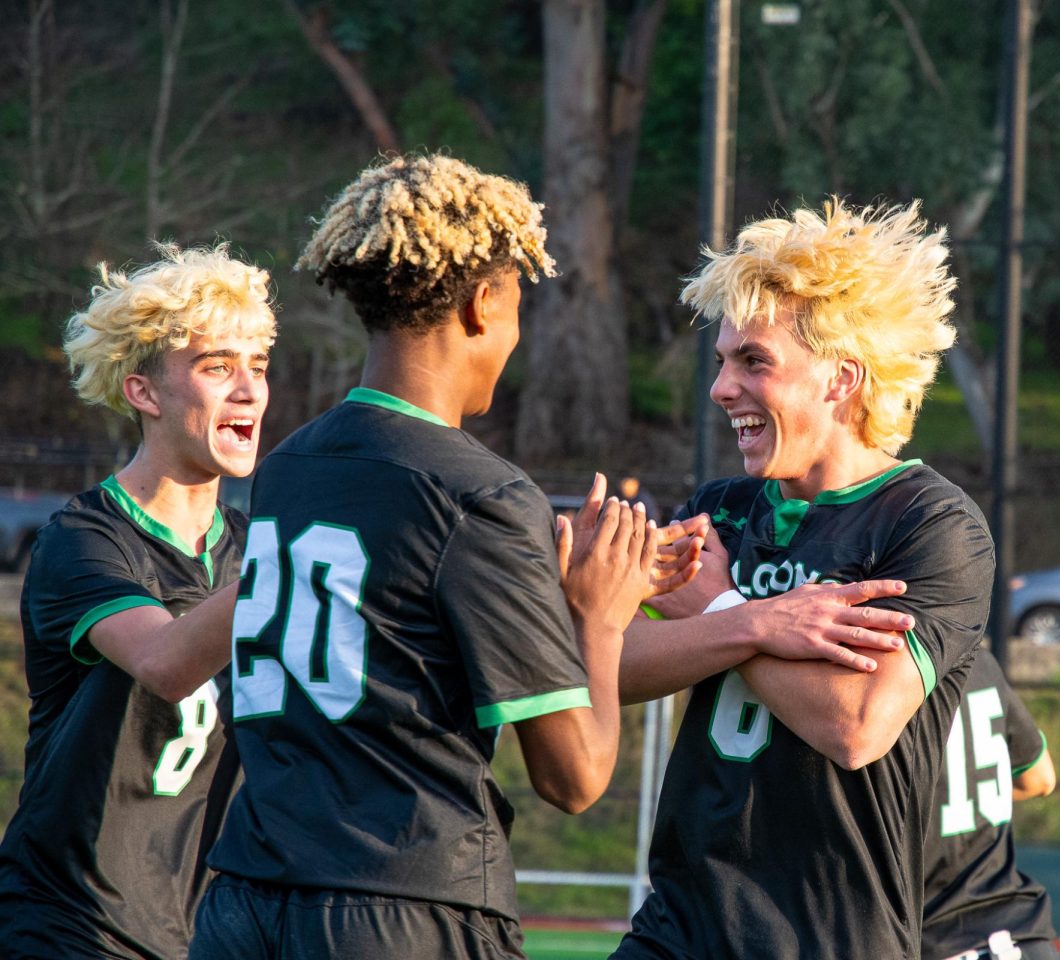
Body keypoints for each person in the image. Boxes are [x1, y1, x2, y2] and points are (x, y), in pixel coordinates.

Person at [189, 153, 699, 960]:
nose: (517, 333)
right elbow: (574, 777)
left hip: (242, 901)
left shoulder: (287, 467)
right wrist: (597, 618)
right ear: (481, 302)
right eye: (518, 303)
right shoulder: (482, 495)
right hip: (403, 910)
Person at [611, 198, 996, 959]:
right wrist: (756, 621)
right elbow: (609, 666)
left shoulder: (931, 525)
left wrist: (722, 610)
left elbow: (854, 725)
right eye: (722, 361)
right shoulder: (720, 511)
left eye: (753, 361)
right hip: (680, 927)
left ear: (841, 379)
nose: (722, 388)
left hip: (828, 937)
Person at [0, 243, 277, 959]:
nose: (248, 389)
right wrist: (306, 558)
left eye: (258, 367)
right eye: (218, 367)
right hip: (69, 930)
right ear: (144, 393)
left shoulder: (256, 552)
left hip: (203, 936)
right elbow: (163, 660)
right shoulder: (83, 540)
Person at [923, 647, 1058, 960]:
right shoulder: (977, 658)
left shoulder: (872, 683)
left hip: (943, 942)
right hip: (1024, 939)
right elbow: (1040, 780)